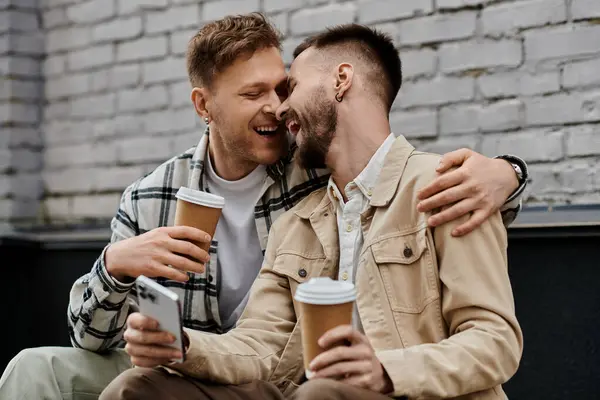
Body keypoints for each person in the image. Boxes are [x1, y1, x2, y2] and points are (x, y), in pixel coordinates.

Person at [0, 14, 527, 400]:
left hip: (378, 387)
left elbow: (494, 339)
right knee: (113, 382)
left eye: (287, 86)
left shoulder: (438, 184)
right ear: (204, 105)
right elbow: (263, 341)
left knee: (317, 393)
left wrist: (509, 172)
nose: (280, 107)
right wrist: (168, 330)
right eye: (258, 94)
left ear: (340, 81)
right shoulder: (173, 198)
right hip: (256, 375)